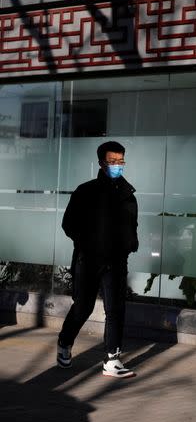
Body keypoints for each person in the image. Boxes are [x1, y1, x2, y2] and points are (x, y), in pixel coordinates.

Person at [57, 141, 138, 378]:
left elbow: (131, 224)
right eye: (112, 162)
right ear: (102, 163)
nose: (117, 166)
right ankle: (64, 342)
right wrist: (89, 244)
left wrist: (131, 243)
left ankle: (112, 358)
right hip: (89, 260)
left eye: (120, 161)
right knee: (83, 306)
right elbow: (68, 224)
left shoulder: (127, 193)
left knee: (116, 309)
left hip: (116, 262)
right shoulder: (86, 191)